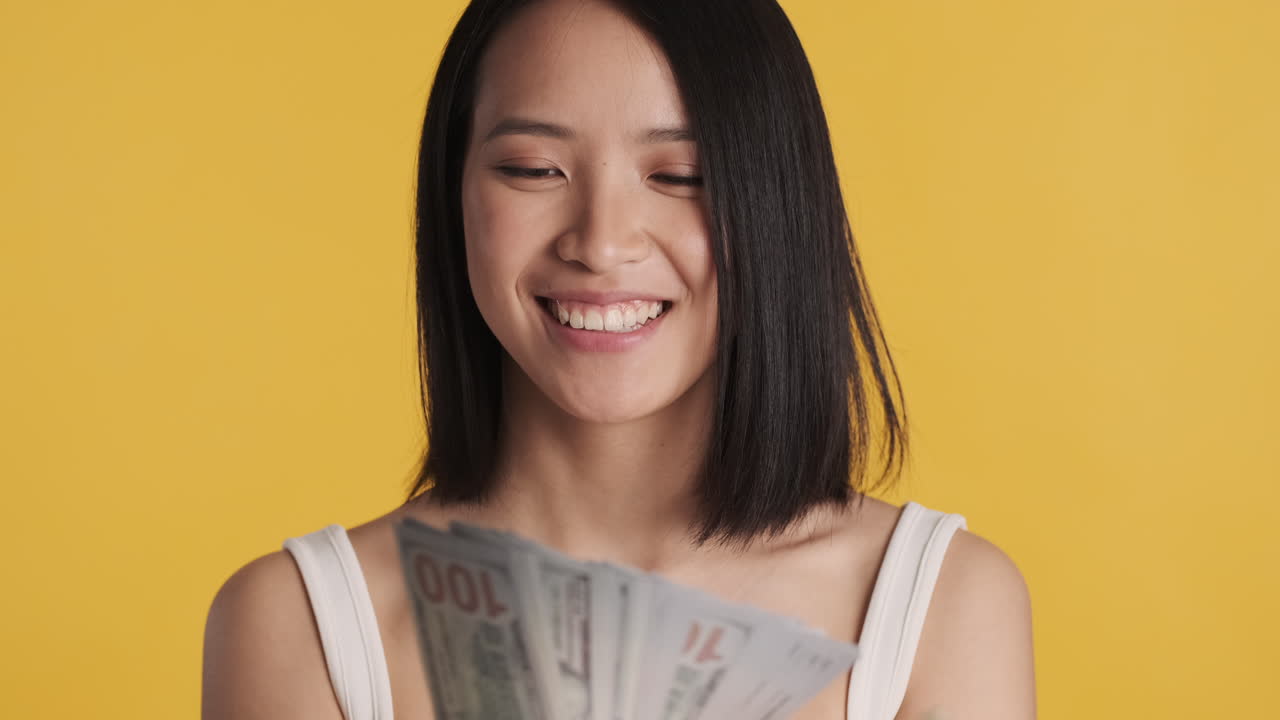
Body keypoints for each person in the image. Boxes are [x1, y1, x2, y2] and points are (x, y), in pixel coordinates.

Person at [201, 0, 1036, 718]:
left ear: (775, 203)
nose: (601, 243)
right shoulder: (299, 623)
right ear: (452, 194)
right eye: (534, 168)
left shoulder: (939, 608)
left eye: (678, 176)